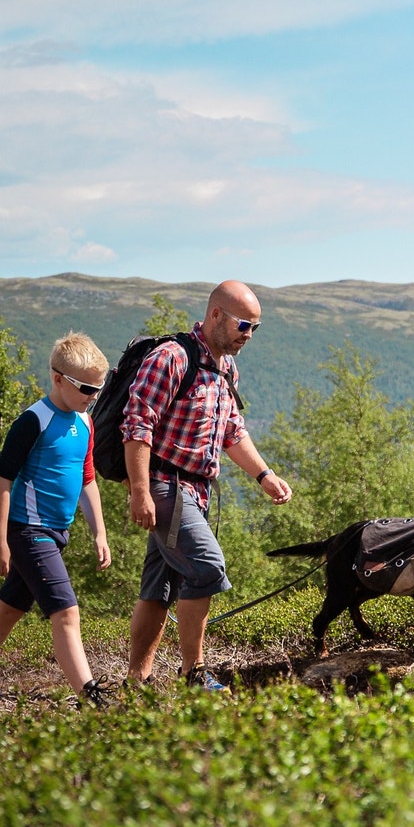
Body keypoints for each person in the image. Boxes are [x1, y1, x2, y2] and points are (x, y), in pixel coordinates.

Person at [121, 280, 292, 690]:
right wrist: (140, 492)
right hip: (166, 486)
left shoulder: (225, 368)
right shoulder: (172, 358)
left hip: (196, 493)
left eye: (255, 327)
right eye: (243, 325)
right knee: (207, 567)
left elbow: (232, 431)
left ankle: (136, 682)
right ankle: (193, 673)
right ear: (215, 314)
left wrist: (264, 475)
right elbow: (137, 425)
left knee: (160, 588)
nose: (249, 335)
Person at [0, 332, 114, 711]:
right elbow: (2, 481)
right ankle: (91, 698)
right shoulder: (33, 421)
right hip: (28, 532)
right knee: (65, 612)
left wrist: (99, 533)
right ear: (58, 379)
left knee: (9, 608)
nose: (93, 396)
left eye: (99, 389)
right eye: (87, 388)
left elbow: (87, 480)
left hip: (56, 533)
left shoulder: (85, 421)